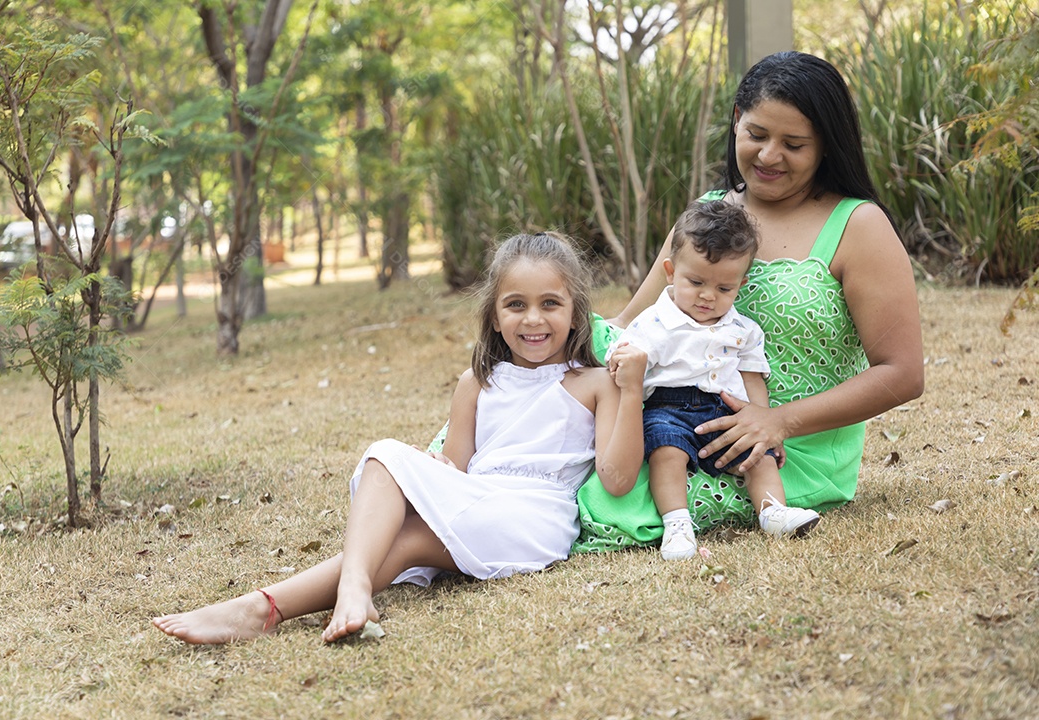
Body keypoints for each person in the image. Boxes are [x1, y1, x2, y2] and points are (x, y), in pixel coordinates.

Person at [153, 232, 647, 644]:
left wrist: (630, 395)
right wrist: (426, 470)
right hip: (476, 496)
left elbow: (619, 479)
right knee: (389, 469)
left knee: (404, 516)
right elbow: (457, 468)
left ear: (576, 312)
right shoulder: (475, 384)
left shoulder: (596, 383)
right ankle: (269, 608)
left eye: (550, 304)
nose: (533, 319)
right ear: (495, 316)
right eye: (516, 305)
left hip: (531, 517)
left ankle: (318, 592)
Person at [573, 51, 925, 553]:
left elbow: (902, 373)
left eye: (794, 143)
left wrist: (777, 420)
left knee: (599, 504)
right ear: (737, 120)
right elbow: (630, 321)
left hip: (784, 449)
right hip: (667, 417)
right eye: (757, 134)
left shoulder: (858, 226)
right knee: (538, 435)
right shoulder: (707, 218)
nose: (768, 155)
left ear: (826, 145)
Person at [611, 200, 820, 560]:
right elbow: (625, 359)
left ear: (742, 283)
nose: (708, 296)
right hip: (669, 406)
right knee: (666, 450)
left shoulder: (743, 329)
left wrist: (764, 422)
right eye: (696, 282)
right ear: (671, 271)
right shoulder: (654, 323)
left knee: (758, 455)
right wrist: (624, 361)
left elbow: (752, 378)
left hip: (725, 409)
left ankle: (772, 510)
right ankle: (677, 524)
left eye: (725, 289)